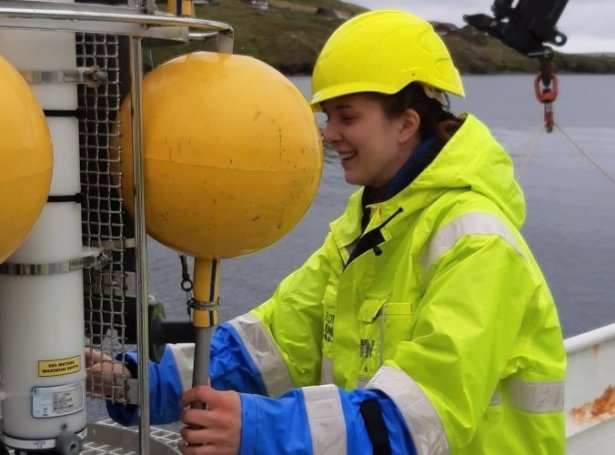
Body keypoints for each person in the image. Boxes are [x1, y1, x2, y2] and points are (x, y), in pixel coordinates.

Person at [87, 9, 566, 454]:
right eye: (327, 116)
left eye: (348, 117)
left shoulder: (477, 245)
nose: (328, 134)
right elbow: (268, 347)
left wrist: (255, 427)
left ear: (407, 124)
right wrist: (138, 381)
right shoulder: (367, 227)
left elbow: (418, 420)